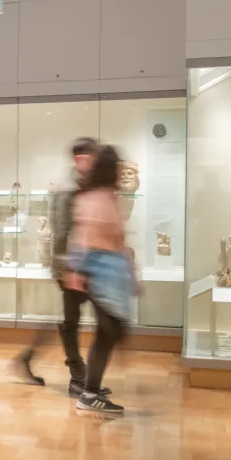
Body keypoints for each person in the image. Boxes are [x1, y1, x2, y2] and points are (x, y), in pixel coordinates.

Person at [12, 137, 102, 393]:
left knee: (71, 320)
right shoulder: (67, 189)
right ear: (80, 159)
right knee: (71, 321)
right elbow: (61, 232)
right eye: (92, 157)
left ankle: (31, 360)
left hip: (84, 264)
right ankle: (77, 377)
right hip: (71, 267)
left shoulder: (83, 186)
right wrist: (68, 270)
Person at [69, 144, 135, 415]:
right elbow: (83, 236)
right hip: (102, 272)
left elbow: (117, 238)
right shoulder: (95, 198)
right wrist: (76, 270)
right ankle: (89, 393)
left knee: (109, 332)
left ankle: (90, 391)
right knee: (108, 332)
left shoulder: (106, 196)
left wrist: (129, 270)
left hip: (112, 271)